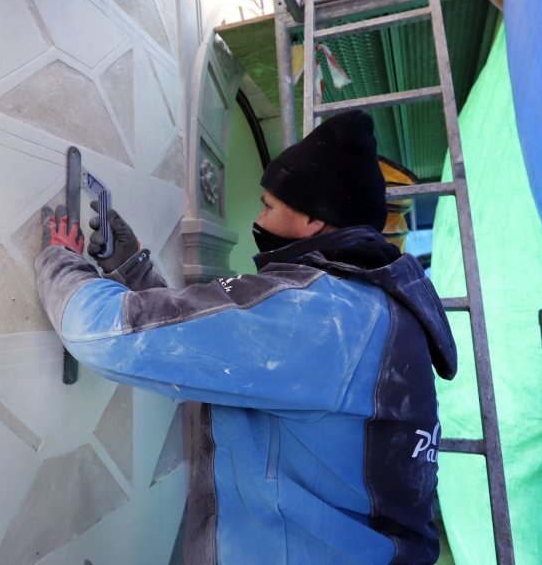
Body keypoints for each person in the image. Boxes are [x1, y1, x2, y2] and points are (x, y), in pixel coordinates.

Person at [34, 110, 457, 564]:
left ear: (315, 220)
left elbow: (100, 332)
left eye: (269, 206)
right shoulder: (375, 311)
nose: (259, 218)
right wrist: (135, 270)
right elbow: (218, 355)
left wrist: (61, 261)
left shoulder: (315, 315)